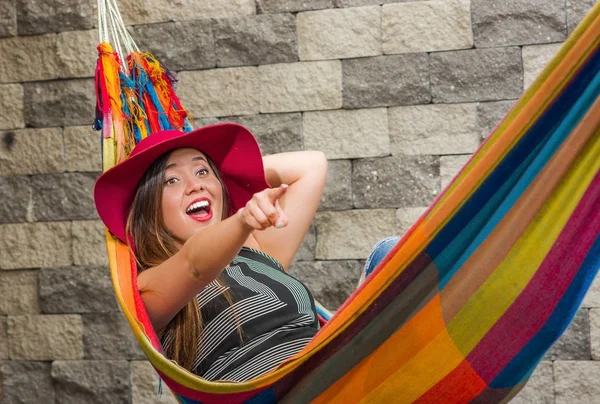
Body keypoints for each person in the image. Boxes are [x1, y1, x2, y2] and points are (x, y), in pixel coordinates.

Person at [94, 123, 397, 382]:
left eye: (202, 171)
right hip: (274, 393)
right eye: (171, 180)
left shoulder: (255, 250)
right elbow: (194, 265)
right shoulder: (150, 286)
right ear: (148, 208)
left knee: (391, 255)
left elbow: (312, 165)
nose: (194, 186)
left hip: (330, 372)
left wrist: (222, 179)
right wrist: (240, 219)